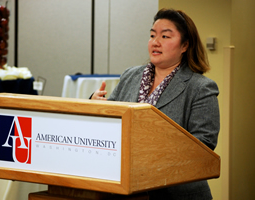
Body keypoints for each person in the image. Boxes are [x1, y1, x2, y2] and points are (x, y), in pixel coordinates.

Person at [91, 8, 220, 200]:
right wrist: (96, 106)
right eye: (152, 35)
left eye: (165, 36)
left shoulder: (200, 87)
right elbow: (111, 124)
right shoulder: (130, 75)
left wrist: (154, 152)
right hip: (125, 189)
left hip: (176, 193)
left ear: (184, 45)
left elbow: (204, 144)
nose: (155, 42)